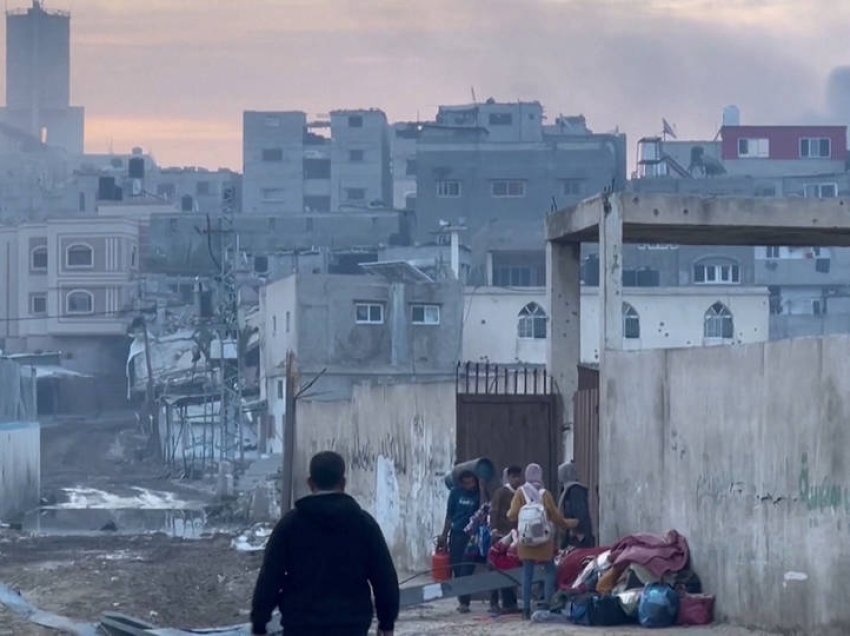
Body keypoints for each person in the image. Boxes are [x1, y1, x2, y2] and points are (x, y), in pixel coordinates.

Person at [251, 451, 399, 636]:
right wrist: (387, 623)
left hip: (301, 625)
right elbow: (384, 578)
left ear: (310, 483)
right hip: (351, 626)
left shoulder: (289, 526)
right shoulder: (364, 525)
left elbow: (269, 579)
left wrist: (259, 623)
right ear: (343, 483)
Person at [507, 463, 578, 620]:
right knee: (550, 570)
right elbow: (555, 517)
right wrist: (570, 523)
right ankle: (547, 604)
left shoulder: (520, 493)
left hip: (525, 541)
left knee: (527, 572)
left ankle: (526, 609)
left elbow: (511, 515)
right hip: (544, 540)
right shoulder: (545, 494)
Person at [438, 469, 481, 614]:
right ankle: (462, 599)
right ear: (462, 484)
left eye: (472, 482)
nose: (471, 485)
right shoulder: (455, 493)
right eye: (467, 483)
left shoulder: (479, 494)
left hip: (472, 537)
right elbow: (449, 515)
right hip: (456, 535)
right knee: (456, 567)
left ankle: (465, 602)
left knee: (466, 569)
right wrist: (444, 535)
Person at [488, 465, 523, 615]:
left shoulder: (521, 493)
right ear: (508, 477)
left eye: (518, 476)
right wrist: (494, 530)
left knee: (510, 568)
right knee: (495, 570)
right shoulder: (501, 493)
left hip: (514, 536)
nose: (516, 479)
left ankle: (510, 602)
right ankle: (494, 602)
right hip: (501, 536)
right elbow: (494, 511)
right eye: (513, 477)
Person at [557, 461, 596, 549]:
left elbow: (581, 514)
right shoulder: (567, 490)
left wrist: (578, 533)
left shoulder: (576, 491)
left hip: (578, 537)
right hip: (571, 536)